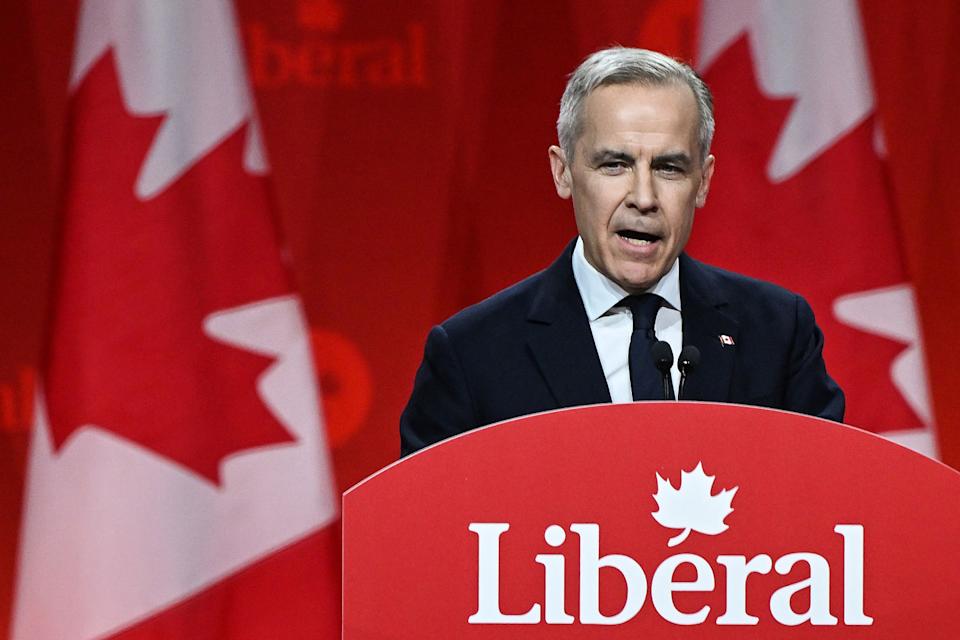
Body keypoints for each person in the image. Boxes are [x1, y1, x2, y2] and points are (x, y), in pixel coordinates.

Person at [400, 47, 844, 456]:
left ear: (703, 182)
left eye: (669, 168)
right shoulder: (473, 354)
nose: (643, 197)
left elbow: (832, 503)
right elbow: (424, 526)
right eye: (615, 165)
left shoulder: (777, 332)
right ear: (563, 172)